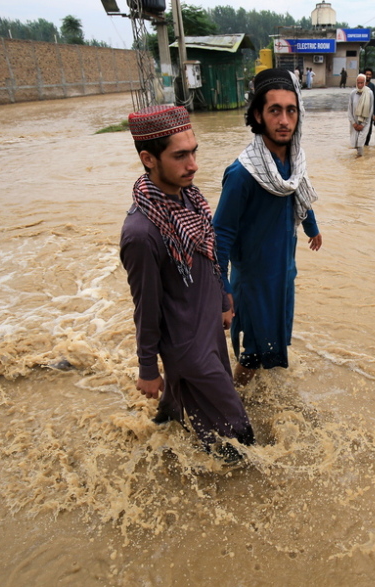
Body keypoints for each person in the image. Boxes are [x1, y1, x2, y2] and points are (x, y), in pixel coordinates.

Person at [119, 105, 254, 462]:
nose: (193, 164)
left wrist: (223, 300)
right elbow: (145, 307)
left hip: (208, 330)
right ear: (149, 159)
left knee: (178, 418)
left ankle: (162, 436)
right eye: (180, 156)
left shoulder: (189, 199)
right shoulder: (142, 234)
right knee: (239, 439)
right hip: (188, 348)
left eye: (194, 152)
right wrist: (148, 369)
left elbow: (210, 256)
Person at [213, 69, 323, 387]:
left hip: (284, 273)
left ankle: (267, 398)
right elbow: (220, 235)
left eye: (291, 110)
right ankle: (238, 402)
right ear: (258, 115)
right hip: (254, 282)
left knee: (276, 338)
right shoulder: (242, 174)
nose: (284, 120)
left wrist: (312, 227)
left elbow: (299, 194)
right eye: (275, 110)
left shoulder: (293, 163)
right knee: (251, 352)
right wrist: (222, 290)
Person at [348, 73, 374, 156]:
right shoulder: (353, 93)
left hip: (365, 123)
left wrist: (363, 124)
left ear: (365, 83)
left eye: (361, 83)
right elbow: (349, 109)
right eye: (358, 83)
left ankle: (360, 158)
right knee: (355, 143)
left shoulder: (369, 93)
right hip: (354, 123)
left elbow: (370, 110)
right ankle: (359, 158)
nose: (359, 85)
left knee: (360, 144)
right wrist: (353, 123)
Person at [363, 68, 375, 146]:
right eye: (367, 74)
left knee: (368, 131)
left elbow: (374, 100)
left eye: (370, 75)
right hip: (360, 112)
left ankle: (366, 146)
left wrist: (374, 113)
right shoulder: (360, 84)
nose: (368, 76)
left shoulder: (372, 86)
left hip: (369, 112)